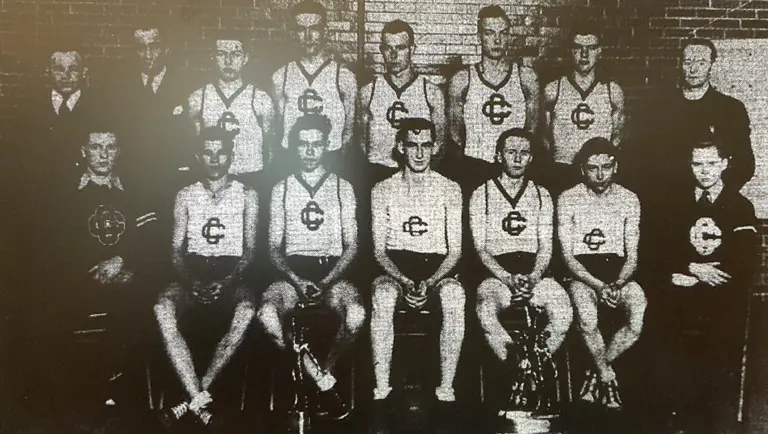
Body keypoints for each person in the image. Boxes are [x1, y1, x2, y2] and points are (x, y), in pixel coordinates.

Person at [43, 124, 164, 432]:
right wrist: (93, 270)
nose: (103, 154)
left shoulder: (135, 190)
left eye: (110, 147)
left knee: (144, 305)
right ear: (83, 152)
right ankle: (94, 394)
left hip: (128, 277)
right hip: (84, 280)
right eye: (96, 147)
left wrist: (123, 261)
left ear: (119, 152)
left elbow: (151, 238)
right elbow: (58, 244)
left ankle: (116, 391)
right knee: (54, 313)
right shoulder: (66, 195)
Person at [256, 114, 365, 420]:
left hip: (332, 272)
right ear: (294, 147)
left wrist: (327, 281)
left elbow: (352, 246)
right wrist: (296, 279)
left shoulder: (343, 188)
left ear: (327, 146)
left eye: (316, 144)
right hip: (292, 274)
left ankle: (319, 375)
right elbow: (273, 249)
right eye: (303, 145)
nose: (309, 151)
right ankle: (325, 385)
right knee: (266, 316)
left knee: (356, 316)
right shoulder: (282, 188)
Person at [651, 138, 757, 434]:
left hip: (722, 294)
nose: (704, 171)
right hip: (684, 289)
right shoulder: (677, 203)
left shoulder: (739, 206)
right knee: (664, 332)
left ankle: (715, 420)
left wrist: (697, 276)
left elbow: (742, 260)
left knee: (718, 348)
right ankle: (677, 413)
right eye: (697, 163)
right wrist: (691, 267)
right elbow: (664, 250)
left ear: (725, 164)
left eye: (711, 163)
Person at [153, 127, 257, 427]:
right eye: (207, 152)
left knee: (247, 311)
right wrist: (191, 282)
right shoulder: (185, 194)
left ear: (231, 155)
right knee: (162, 308)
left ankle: (191, 400)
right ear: (197, 157)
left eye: (221, 151)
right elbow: (175, 250)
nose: (214, 158)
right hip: (194, 273)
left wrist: (226, 282)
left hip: (231, 273)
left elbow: (250, 250)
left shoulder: (247, 194)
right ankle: (200, 401)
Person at [369, 118, 465, 434]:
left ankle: (446, 390)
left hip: (437, 266)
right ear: (401, 147)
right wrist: (405, 281)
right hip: (396, 265)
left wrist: (431, 281)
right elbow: (380, 251)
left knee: (455, 297)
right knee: (382, 297)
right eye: (413, 145)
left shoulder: (450, 188)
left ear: (435, 147)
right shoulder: (382, 189)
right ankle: (381, 392)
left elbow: (455, 252)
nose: (420, 154)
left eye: (426, 146)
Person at [470, 128, 573, 411]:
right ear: (497, 155)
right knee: (485, 309)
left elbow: (546, 248)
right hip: (497, 273)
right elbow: (480, 248)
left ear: (531, 158)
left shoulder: (542, 195)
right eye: (510, 152)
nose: (517, 158)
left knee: (563, 309)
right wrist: (506, 277)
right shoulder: (482, 194)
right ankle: (521, 371)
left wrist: (534, 277)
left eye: (523, 153)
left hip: (533, 273)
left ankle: (527, 373)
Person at [557, 138, 645, 410]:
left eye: (606, 167)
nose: (600, 174)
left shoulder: (629, 198)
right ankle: (608, 376)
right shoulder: (568, 198)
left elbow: (632, 256)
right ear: (582, 169)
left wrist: (619, 282)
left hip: (618, 274)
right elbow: (569, 257)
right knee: (586, 316)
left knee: (638, 312)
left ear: (615, 166)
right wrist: (597, 286)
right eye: (593, 168)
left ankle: (596, 373)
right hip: (584, 275)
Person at [644, 38, 754, 198]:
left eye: (701, 62)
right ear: (680, 65)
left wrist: (718, 195)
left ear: (712, 65)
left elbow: (745, 164)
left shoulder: (731, 109)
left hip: (712, 201)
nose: (693, 69)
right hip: (668, 201)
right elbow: (645, 159)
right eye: (687, 62)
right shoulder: (659, 108)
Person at [447, 5, 539, 188]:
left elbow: (532, 129)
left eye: (502, 33)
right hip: (475, 165)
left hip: (514, 168)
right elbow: (455, 131)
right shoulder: (462, 80)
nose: (497, 40)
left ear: (508, 37)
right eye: (489, 33)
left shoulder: (526, 78)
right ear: (479, 37)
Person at [272, 0, 357, 174]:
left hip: (331, 161)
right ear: (294, 33)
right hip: (293, 162)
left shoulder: (344, 77)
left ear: (324, 32)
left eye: (314, 28)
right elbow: (278, 128)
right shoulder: (281, 76)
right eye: (302, 29)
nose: (308, 35)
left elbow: (349, 132)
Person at [110, 21, 195, 194]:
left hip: (175, 181)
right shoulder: (119, 87)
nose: (148, 55)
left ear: (165, 49)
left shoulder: (187, 85)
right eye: (141, 48)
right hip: (134, 180)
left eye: (154, 47)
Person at [359, 19, 446, 184]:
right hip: (378, 173)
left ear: (412, 50)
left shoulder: (431, 92)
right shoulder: (368, 92)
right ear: (381, 50)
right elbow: (362, 143)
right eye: (388, 48)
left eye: (400, 48)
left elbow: (439, 145)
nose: (394, 55)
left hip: (416, 176)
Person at [542, 23, 625, 194]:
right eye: (578, 48)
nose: (584, 54)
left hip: (598, 174)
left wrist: (601, 164)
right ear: (570, 51)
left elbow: (617, 136)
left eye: (591, 48)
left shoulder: (612, 91)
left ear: (599, 51)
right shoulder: (553, 90)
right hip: (563, 171)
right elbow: (545, 137)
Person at [188, 31, 275, 188]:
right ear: (213, 57)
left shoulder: (261, 99)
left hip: (251, 179)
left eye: (235, 54)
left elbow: (268, 150)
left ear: (245, 58)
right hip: (213, 181)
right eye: (222, 54)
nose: (228, 61)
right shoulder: (197, 98)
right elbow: (197, 148)